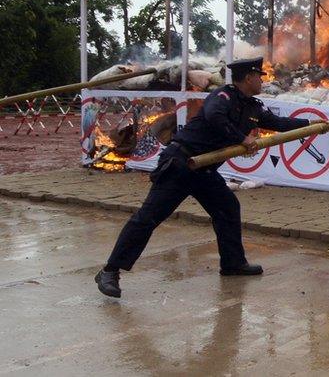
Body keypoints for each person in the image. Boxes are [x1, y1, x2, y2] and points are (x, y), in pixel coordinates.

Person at [95, 57, 313, 298]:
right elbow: (214, 118)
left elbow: (279, 123)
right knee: (148, 218)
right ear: (249, 78)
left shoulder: (253, 107)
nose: (262, 81)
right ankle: (109, 271)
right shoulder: (223, 97)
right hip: (180, 164)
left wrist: (312, 124)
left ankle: (232, 264)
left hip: (205, 169)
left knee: (228, 208)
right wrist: (242, 139)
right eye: (259, 76)